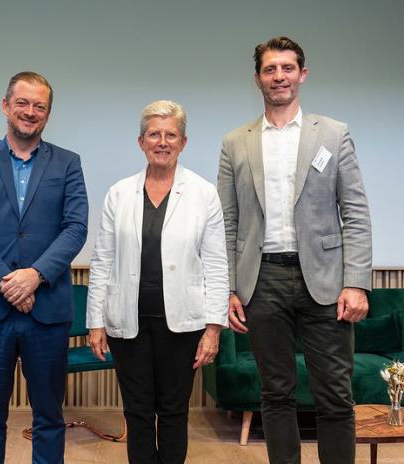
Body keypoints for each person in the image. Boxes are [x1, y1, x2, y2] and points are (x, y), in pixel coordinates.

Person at [217, 36, 372, 464]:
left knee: (336, 395)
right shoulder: (236, 142)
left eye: (287, 68)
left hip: (326, 282)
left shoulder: (334, 134)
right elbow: (228, 222)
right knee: (276, 393)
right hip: (261, 281)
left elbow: (356, 212)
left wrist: (356, 283)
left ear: (302, 74)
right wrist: (229, 288)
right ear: (258, 79)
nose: (279, 76)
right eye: (270, 69)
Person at [0, 71, 88, 464]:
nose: (30, 112)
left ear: (47, 113)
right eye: (22, 103)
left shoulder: (68, 163)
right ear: (5, 105)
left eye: (39, 106)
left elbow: (76, 227)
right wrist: (5, 282)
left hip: (47, 311)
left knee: (49, 416)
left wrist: (35, 276)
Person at [87, 100, 229, 464]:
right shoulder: (119, 193)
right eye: (154, 134)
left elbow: (215, 263)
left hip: (182, 325)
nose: (162, 141)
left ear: (183, 142)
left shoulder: (202, 193)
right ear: (141, 142)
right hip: (127, 324)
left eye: (170, 134)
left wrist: (213, 329)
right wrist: (96, 322)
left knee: (172, 412)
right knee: (136, 412)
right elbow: (102, 260)